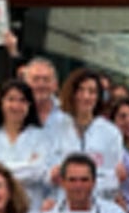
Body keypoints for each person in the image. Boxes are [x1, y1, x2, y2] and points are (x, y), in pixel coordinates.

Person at [0, 78, 54, 213]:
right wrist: (26, 166)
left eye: (22, 100)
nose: (16, 105)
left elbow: (39, 171)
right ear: (2, 103)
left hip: (31, 209)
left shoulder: (42, 137)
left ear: (30, 105)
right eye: (11, 99)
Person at [47, 68, 123, 202]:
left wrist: (83, 184)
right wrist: (51, 175)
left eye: (92, 92)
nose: (86, 96)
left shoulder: (110, 132)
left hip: (99, 204)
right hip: (61, 205)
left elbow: (115, 177)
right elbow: (46, 170)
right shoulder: (55, 126)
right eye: (80, 90)